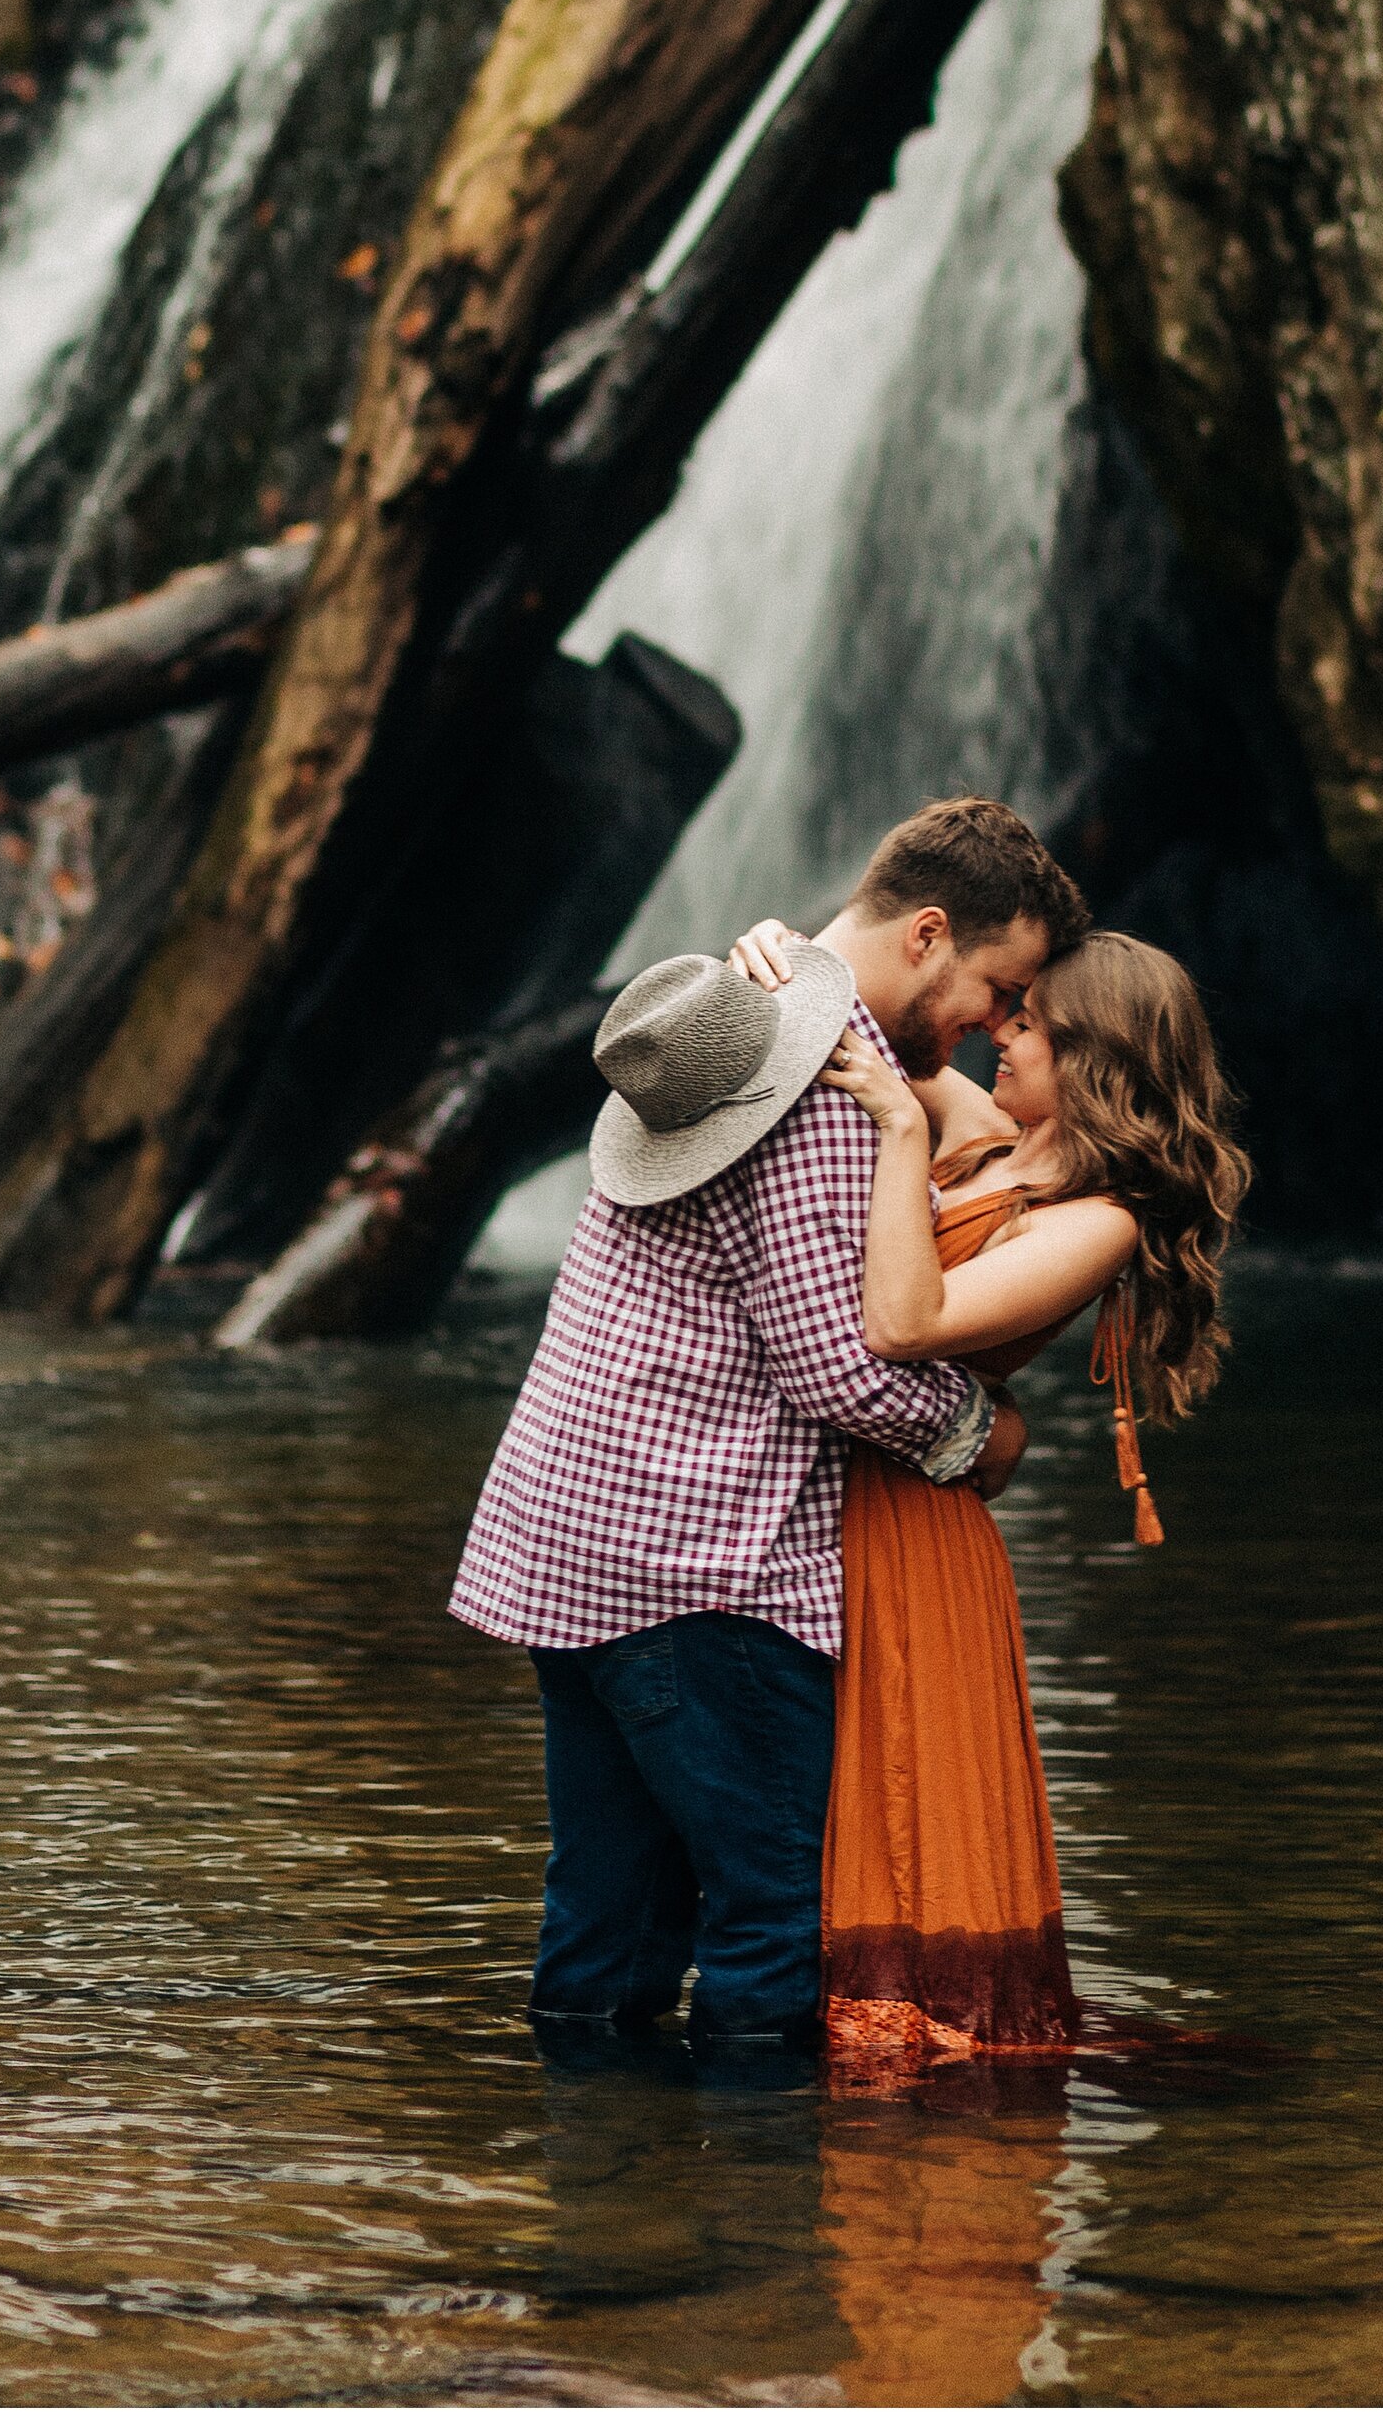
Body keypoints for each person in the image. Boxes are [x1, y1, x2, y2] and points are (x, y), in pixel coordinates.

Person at [448, 795, 1090, 2059]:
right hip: (705, 1568)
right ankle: (756, 2243)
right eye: (994, 988)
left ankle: (606, 2222)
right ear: (926, 932)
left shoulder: (755, 1006)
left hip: (572, 1540)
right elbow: (840, 1370)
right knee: (774, 1923)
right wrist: (982, 1434)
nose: (986, 1029)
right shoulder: (818, 1090)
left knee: (607, 1920)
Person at [730, 917, 1250, 2076]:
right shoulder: (992, 1130)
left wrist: (903, 1129)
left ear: (1097, 1058)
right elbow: (868, 1015)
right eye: (1008, 1010)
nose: (999, 1030)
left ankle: (924, 2113)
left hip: (919, 1532)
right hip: (847, 1491)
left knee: (912, 1794)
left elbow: (905, 1324)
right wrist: (782, 940)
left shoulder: (1096, 1220)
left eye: (1031, 1023)